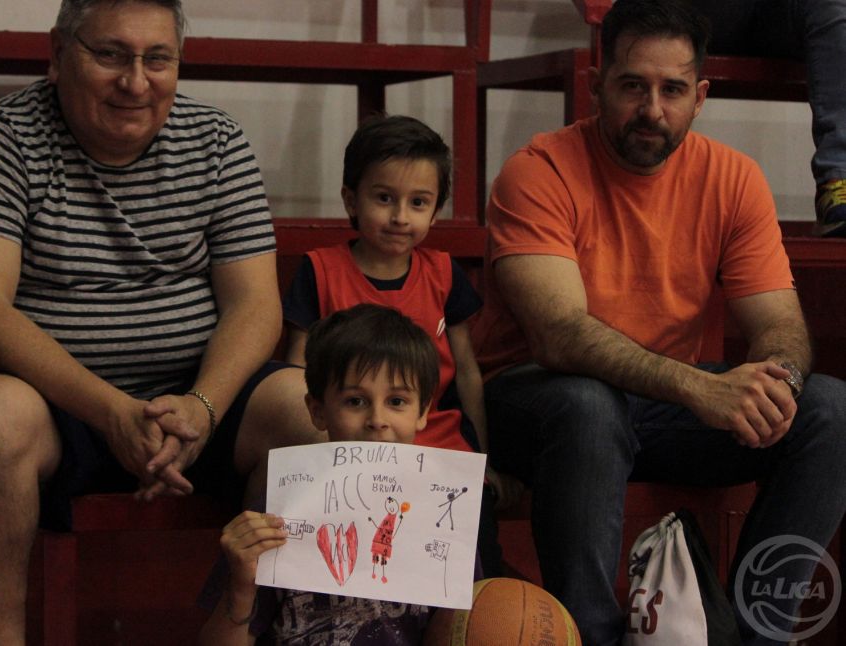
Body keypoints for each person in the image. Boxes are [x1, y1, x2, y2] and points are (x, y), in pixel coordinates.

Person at [0, 1, 316, 644]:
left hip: (194, 401)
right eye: (110, 54)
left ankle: (242, 631)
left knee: (310, 411)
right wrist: (112, 412)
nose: (135, 82)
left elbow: (255, 304)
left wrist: (202, 407)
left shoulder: (217, 139)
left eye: (157, 59)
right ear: (58, 54)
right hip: (54, 408)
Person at [471, 1, 846, 644]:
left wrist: (777, 381)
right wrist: (700, 387)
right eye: (632, 86)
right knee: (589, 407)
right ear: (597, 85)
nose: (652, 110)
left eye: (672, 90)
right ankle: (589, 636)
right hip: (535, 403)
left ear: (700, 97)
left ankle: (753, 635)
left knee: (830, 411)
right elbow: (560, 335)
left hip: (662, 407)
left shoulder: (733, 177)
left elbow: (779, 322)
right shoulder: (538, 172)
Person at [282, 114, 521, 575]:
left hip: (435, 443)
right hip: (345, 443)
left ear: (436, 211)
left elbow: (466, 372)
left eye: (418, 202)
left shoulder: (443, 273)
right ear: (351, 199)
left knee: (473, 555)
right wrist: (309, 458)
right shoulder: (320, 270)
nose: (400, 217)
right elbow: (294, 376)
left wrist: (482, 461)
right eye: (384, 198)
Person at [198, 303, 444, 645]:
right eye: (355, 401)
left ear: (422, 412)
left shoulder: (442, 520)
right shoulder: (280, 510)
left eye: (397, 401)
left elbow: (455, 632)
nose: (377, 420)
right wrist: (241, 587)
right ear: (317, 411)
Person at [684, 0, 846, 236]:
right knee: (644, 15)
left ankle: (837, 182)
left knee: (831, 5)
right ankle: (645, 191)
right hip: (702, 12)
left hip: (775, 15)